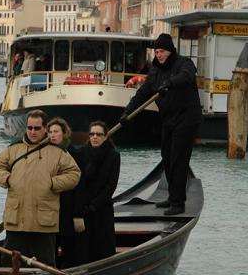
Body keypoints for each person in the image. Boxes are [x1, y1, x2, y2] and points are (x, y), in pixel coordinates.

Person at [120, 33, 202, 216]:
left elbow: (186, 77)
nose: (159, 55)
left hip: (187, 119)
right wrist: (127, 112)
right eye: (156, 51)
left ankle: (178, 203)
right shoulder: (154, 71)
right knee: (167, 157)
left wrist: (170, 83)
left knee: (178, 160)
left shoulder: (184, 63)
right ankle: (173, 196)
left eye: (162, 51)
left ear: (170, 51)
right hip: (169, 119)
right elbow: (142, 94)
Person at [0, 110, 81, 267]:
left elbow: (74, 174)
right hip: (16, 220)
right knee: (9, 263)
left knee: (46, 265)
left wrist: (52, 183)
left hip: (43, 223)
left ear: (45, 128)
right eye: (29, 127)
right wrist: (7, 178)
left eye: (37, 128)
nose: (32, 131)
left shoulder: (58, 152)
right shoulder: (13, 149)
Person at [46, 118, 87, 267]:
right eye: (50, 132)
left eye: (56, 132)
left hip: (69, 207)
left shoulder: (76, 153)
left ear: (65, 133)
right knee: (51, 244)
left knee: (69, 245)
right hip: (50, 208)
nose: (52, 135)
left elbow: (81, 186)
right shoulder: (45, 154)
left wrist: (78, 214)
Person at [79, 121, 120, 262]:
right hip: (84, 207)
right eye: (92, 134)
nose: (94, 137)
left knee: (103, 244)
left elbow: (111, 186)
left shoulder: (113, 155)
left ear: (106, 136)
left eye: (98, 134)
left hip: (102, 208)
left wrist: (94, 205)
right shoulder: (82, 153)